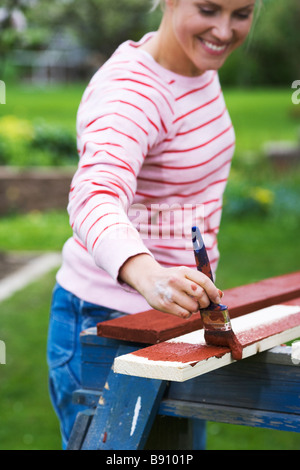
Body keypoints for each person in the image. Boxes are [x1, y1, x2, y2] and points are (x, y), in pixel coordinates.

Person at [47, 0, 258, 449]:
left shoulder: (195, 63)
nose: (224, 30)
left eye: (241, 13)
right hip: (108, 324)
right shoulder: (132, 92)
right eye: (209, 9)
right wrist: (149, 274)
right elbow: (93, 195)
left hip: (175, 320)